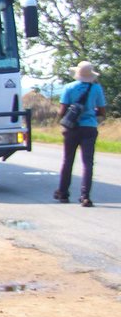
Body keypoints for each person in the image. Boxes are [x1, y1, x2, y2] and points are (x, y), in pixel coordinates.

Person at [54, 61, 107, 208]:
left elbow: (62, 111)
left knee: (68, 160)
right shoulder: (96, 88)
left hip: (71, 129)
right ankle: (85, 197)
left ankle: (63, 193)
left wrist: (64, 121)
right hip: (89, 127)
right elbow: (102, 112)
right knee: (88, 163)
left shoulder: (69, 87)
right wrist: (91, 113)